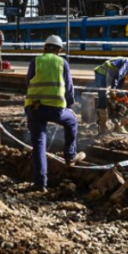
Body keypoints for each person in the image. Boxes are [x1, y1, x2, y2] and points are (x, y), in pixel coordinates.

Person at [24, 35, 86, 192]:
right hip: (56, 109)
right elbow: (69, 87)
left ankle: (40, 184)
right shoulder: (62, 62)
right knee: (71, 121)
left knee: (39, 145)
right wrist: (70, 105)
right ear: (58, 50)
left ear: (45, 48)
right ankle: (70, 156)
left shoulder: (35, 61)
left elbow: (27, 82)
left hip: (35, 108)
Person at [93, 57, 128, 134]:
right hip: (102, 73)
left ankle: (117, 126)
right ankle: (103, 126)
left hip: (107, 74)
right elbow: (119, 74)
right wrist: (113, 89)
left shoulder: (127, 71)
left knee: (116, 101)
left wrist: (118, 95)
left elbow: (120, 85)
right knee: (103, 98)